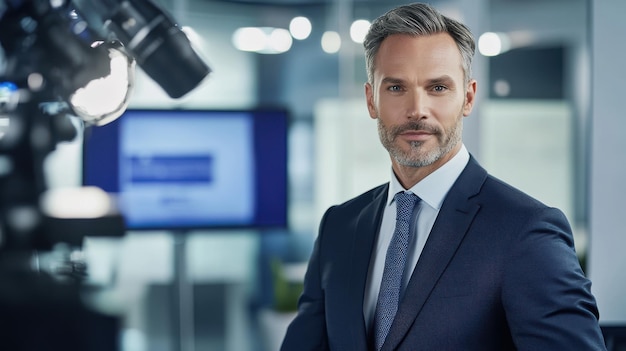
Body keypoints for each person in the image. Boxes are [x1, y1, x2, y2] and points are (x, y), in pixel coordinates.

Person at [280, 2, 606, 351]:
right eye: (395, 88)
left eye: (437, 88)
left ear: (468, 97)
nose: (417, 110)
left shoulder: (525, 231)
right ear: (370, 100)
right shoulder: (339, 227)